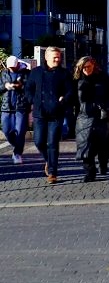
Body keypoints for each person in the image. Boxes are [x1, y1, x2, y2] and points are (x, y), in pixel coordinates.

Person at [25, 46, 74, 183]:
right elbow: (28, 88)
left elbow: (71, 91)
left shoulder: (64, 73)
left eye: (59, 57)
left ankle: (53, 172)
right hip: (39, 112)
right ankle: (48, 160)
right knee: (39, 141)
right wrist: (32, 100)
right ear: (46, 57)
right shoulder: (36, 72)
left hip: (56, 113)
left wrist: (63, 99)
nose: (57, 59)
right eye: (54, 57)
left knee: (53, 142)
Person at [73, 56, 109, 182]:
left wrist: (108, 107)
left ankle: (103, 164)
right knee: (85, 146)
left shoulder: (103, 78)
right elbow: (74, 98)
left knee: (103, 144)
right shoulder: (77, 80)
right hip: (84, 117)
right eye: (83, 67)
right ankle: (90, 172)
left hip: (101, 115)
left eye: (88, 66)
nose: (86, 69)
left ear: (94, 65)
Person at [1, 55, 30, 164]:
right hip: (6, 107)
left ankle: (17, 153)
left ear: (18, 64)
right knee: (7, 130)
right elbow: (0, 87)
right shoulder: (4, 73)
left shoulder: (26, 73)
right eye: (10, 67)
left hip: (21, 107)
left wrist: (20, 85)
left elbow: (29, 87)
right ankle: (17, 145)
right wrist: (5, 86)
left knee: (20, 131)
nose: (12, 69)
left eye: (14, 67)